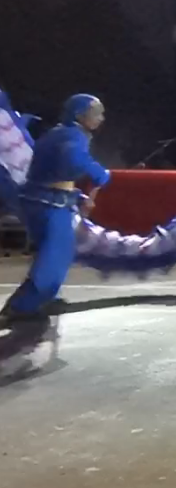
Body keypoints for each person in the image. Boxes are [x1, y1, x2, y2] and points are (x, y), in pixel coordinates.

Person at [1, 94, 109, 320]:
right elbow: (74, 160)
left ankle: (42, 299)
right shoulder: (70, 135)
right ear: (79, 114)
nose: (101, 118)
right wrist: (98, 172)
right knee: (56, 255)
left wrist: (76, 195)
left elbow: (53, 171)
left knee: (53, 253)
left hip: (42, 200)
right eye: (96, 113)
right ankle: (22, 306)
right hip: (48, 204)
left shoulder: (60, 133)